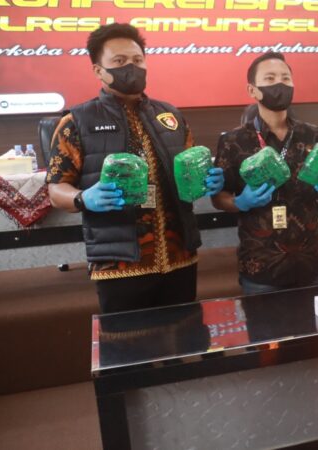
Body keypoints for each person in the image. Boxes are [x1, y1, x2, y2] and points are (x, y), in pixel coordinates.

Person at [46, 23, 224, 314]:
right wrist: (82, 198)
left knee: (182, 337)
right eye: (119, 61)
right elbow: (56, 190)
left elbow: (190, 170)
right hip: (119, 262)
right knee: (127, 341)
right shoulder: (76, 122)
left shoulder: (171, 116)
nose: (131, 67)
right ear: (98, 70)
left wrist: (207, 181)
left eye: (137, 60)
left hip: (180, 255)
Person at [211, 52, 318, 295]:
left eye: (285, 78)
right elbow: (219, 198)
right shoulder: (233, 141)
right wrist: (240, 202)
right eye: (270, 78)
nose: (279, 84)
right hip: (261, 265)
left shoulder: (313, 134)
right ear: (252, 90)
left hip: (311, 262)